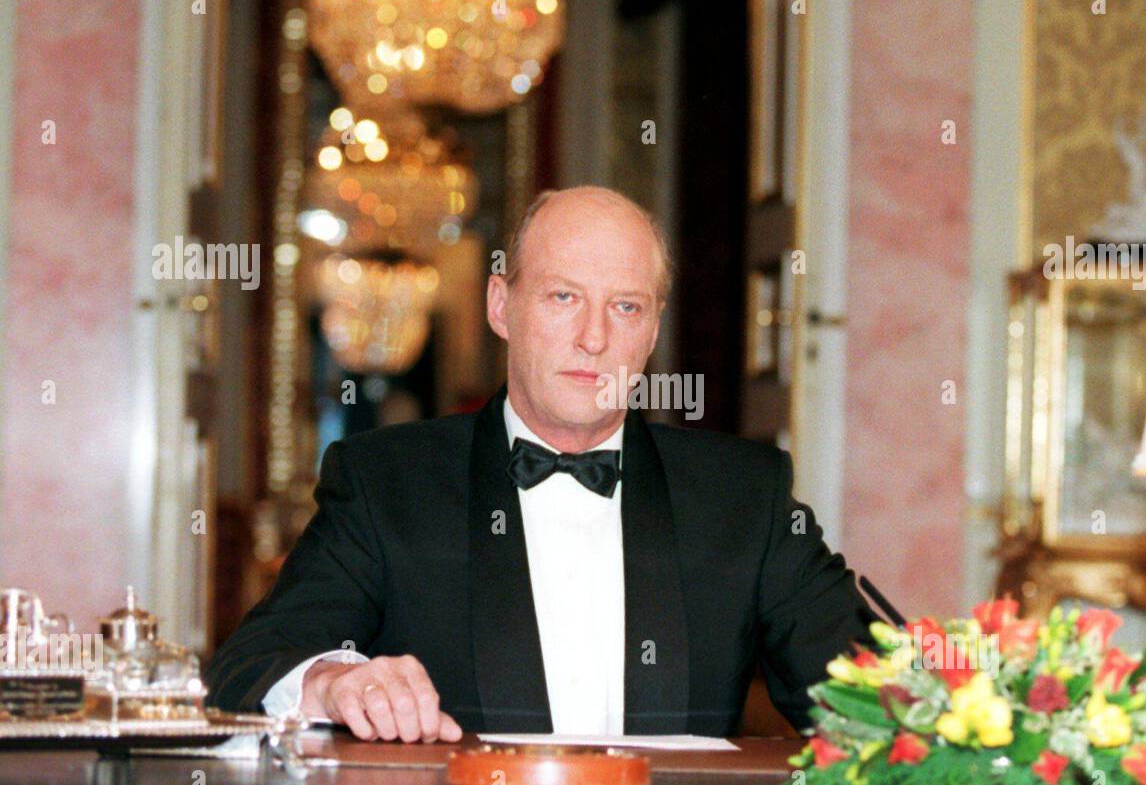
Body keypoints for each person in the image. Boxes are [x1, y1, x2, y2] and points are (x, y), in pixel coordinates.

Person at [204, 186, 899, 743]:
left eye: (625, 306)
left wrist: (971, 696)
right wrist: (331, 682)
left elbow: (868, 694)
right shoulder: (386, 482)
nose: (594, 338)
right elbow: (249, 666)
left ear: (653, 329)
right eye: (564, 297)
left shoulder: (743, 494)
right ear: (502, 306)